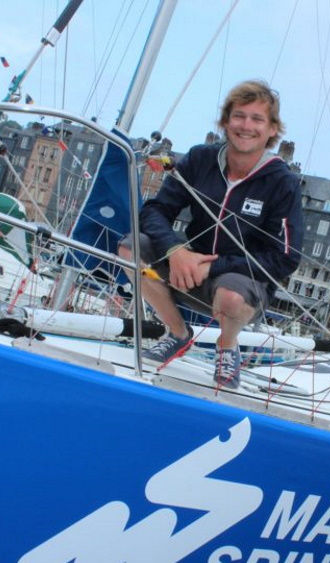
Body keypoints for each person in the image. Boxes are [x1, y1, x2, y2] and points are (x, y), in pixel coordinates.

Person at [119, 80, 303, 389]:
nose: (246, 126)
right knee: (130, 247)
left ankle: (227, 348)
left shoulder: (283, 183)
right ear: (226, 122)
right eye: (239, 116)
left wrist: (213, 266)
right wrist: (175, 252)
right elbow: (154, 211)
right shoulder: (200, 159)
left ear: (273, 129)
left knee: (231, 295)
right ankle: (177, 333)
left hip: (239, 283)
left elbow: (286, 257)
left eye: (257, 119)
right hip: (185, 270)